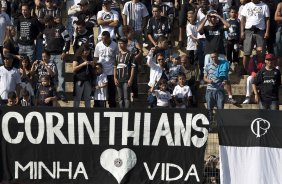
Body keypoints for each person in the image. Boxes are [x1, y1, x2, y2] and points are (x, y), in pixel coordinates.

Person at [43, 15, 71, 101]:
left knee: (61, 75)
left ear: (52, 20)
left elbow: (67, 39)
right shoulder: (46, 30)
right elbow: (44, 42)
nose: (47, 24)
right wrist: (45, 54)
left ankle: (61, 93)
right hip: (49, 55)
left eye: (48, 22)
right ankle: (51, 92)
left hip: (59, 54)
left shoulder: (61, 27)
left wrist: (64, 51)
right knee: (50, 75)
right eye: (46, 22)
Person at [240, 0, 270, 72]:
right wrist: (242, 31)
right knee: (246, 53)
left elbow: (267, 20)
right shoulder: (246, 5)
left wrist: (267, 32)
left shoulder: (264, 6)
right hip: (248, 31)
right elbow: (243, 19)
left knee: (261, 53)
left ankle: (262, 70)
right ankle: (246, 70)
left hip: (260, 31)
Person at [94, 31, 118, 108]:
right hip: (101, 72)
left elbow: (116, 58)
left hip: (111, 71)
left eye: (105, 39)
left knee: (111, 91)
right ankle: (98, 107)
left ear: (109, 38)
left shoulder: (114, 45)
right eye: (102, 39)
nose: (103, 40)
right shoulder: (98, 45)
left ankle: (112, 107)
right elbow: (95, 57)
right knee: (99, 91)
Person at [203, 51, 229, 121]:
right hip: (209, 90)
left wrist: (224, 81)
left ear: (217, 56)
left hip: (220, 89)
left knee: (220, 108)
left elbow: (226, 77)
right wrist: (208, 81)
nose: (213, 58)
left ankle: (220, 125)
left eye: (214, 57)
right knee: (209, 109)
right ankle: (210, 125)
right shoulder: (207, 66)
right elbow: (204, 77)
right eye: (212, 57)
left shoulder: (223, 64)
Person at [114, 37, 135, 108]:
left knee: (126, 98)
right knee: (120, 98)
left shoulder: (130, 54)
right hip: (118, 79)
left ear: (126, 44)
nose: (120, 45)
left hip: (126, 79)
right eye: (119, 43)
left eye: (121, 43)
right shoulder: (117, 54)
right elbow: (115, 66)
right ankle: (121, 114)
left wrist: (130, 79)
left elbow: (133, 68)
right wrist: (115, 78)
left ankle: (127, 114)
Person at [73, 43, 94, 108]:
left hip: (87, 80)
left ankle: (88, 112)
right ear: (82, 51)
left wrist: (92, 64)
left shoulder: (90, 58)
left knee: (87, 98)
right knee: (77, 98)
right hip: (79, 80)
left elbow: (93, 69)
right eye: (85, 51)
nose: (87, 53)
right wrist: (83, 64)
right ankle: (75, 112)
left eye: (88, 51)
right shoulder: (77, 58)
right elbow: (74, 69)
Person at [274, 2, 282, 69]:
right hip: (280, 28)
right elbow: (276, 18)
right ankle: (278, 67)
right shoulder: (280, 4)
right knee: (278, 46)